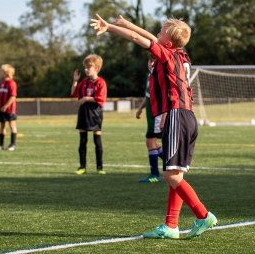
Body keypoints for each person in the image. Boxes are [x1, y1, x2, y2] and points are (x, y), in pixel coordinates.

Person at [90, 14, 217, 239]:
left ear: (167, 43)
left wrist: (109, 28)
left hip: (178, 115)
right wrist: (127, 23)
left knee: (171, 176)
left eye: (160, 32)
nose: (156, 34)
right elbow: (148, 37)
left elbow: (137, 39)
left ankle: (202, 214)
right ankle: (171, 226)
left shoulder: (166, 55)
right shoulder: (182, 55)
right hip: (186, 116)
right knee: (174, 174)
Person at [70, 54, 107, 175]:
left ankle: (100, 167)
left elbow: (101, 98)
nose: (86, 70)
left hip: (95, 113)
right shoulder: (84, 82)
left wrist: (86, 98)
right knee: (82, 141)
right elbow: (73, 93)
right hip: (83, 112)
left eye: (88, 67)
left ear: (96, 68)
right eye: (85, 67)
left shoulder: (101, 82)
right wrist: (75, 81)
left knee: (97, 141)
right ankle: (82, 166)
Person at [136, 53, 166, 183]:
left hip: (157, 116)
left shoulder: (160, 77)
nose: (151, 64)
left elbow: (167, 99)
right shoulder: (150, 76)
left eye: (154, 61)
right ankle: (171, 163)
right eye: (149, 61)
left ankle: (155, 174)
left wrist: (164, 118)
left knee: (150, 143)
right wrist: (140, 108)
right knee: (152, 144)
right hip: (150, 116)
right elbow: (148, 95)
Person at [0, 64, 18, 151]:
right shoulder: (1, 84)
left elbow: (13, 97)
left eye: (1, 71)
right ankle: (1, 144)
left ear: (6, 73)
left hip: (9, 109)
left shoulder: (12, 83)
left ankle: (12, 144)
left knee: (12, 125)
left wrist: (6, 106)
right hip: (1, 109)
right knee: (2, 126)